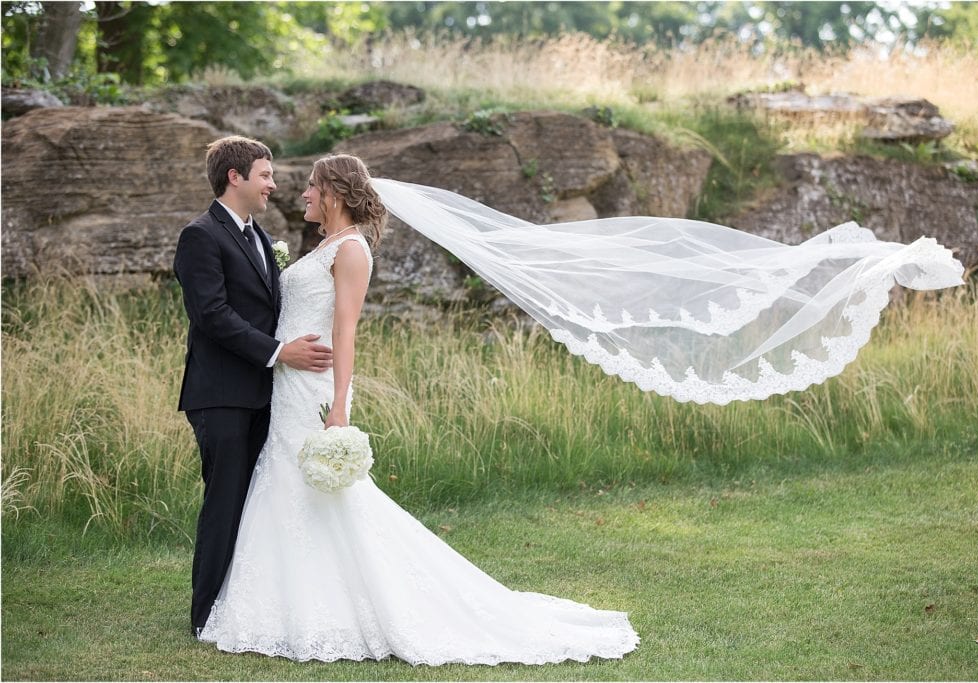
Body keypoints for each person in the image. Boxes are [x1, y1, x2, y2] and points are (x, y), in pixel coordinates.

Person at [196, 153, 641, 664]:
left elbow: (345, 331)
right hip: (287, 383)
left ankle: (351, 605)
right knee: (289, 487)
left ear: (334, 194)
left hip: (314, 387)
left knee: (326, 493)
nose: (303, 194)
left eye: (313, 187)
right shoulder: (325, 246)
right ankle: (284, 601)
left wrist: (339, 405)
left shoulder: (352, 250)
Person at [174, 136, 335, 638]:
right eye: (265, 175)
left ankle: (243, 605)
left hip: (266, 395)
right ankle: (206, 615)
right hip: (221, 394)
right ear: (235, 177)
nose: (273, 184)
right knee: (225, 502)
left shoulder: (260, 238)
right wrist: (279, 352)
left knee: (255, 504)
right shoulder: (200, 235)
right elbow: (211, 314)